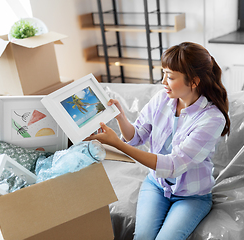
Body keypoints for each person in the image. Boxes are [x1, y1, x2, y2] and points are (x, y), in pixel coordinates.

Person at [86, 42, 230, 240]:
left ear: (194, 81)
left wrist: (117, 145)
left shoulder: (212, 119)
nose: (163, 82)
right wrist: (120, 117)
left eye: (170, 77)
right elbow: (137, 136)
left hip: (192, 196)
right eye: (163, 74)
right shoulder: (162, 99)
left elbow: (174, 165)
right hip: (157, 185)